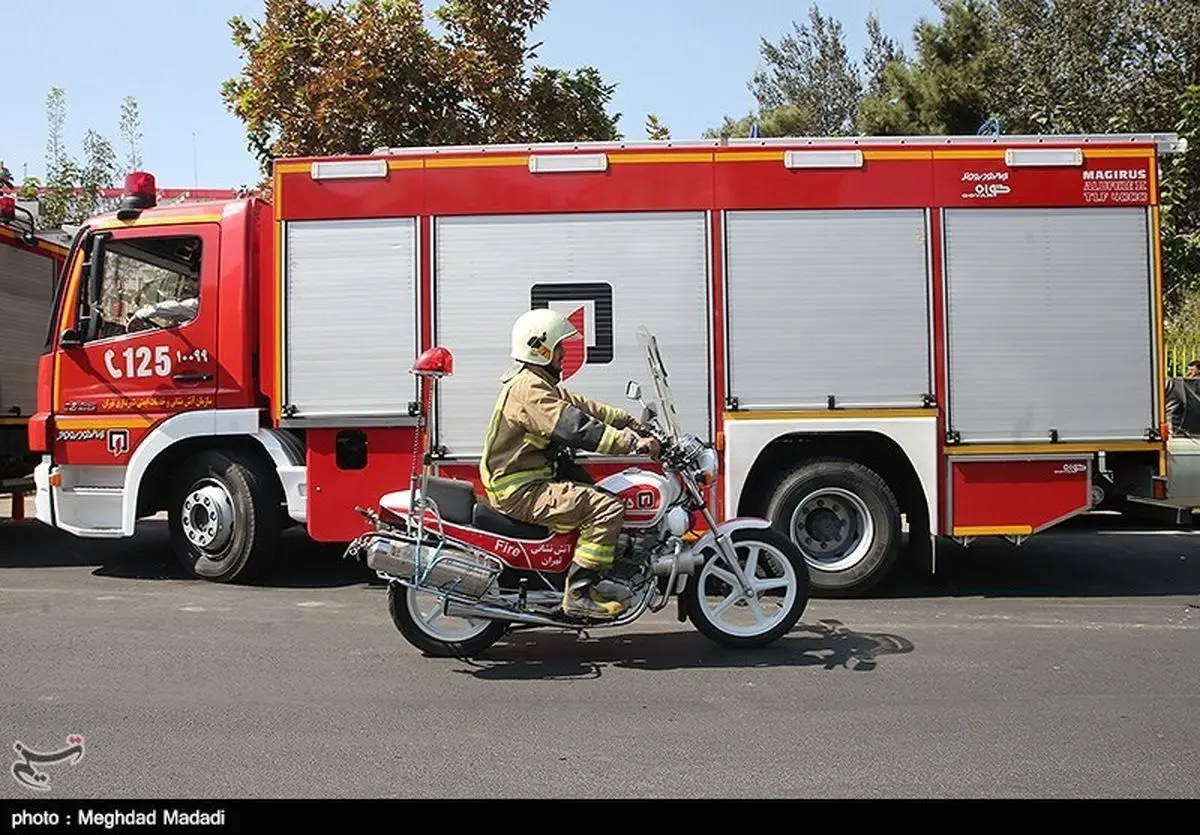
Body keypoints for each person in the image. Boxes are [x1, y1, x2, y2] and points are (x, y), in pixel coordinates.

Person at [480, 308, 661, 618]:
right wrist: (633, 443)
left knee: (597, 489)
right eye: (560, 347)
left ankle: (606, 574)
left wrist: (629, 420)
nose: (565, 353)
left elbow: (583, 407)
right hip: (521, 489)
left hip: (529, 479)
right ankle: (579, 593)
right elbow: (574, 427)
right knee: (607, 507)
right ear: (541, 348)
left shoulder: (537, 382)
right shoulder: (530, 389)